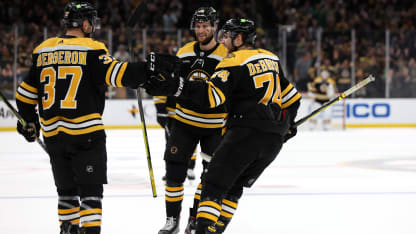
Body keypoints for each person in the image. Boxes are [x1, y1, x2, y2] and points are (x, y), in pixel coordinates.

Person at [14, 2, 177, 234]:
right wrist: (148, 69)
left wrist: (29, 122)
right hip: (86, 136)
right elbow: (119, 74)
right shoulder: (91, 48)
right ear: (84, 23)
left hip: (54, 138)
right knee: (90, 195)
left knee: (66, 193)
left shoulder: (43, 49)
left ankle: (68, 230)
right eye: (91, 21)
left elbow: (24, 94)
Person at [146, 18, 301, 234]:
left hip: (243, 135)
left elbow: (210, 97)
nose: (223, 40)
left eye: (227, 36)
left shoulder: (233, 62)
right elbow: (293, 99)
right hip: (272, 140)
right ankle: (215, 231)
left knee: (212, 186)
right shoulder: (271, 58)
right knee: (234, 188)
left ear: (239, 38)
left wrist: (175, 86)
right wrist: (289, 125)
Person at [156, 6, 228, 234]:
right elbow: (171, 83)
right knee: (174, 172)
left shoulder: (226, 55)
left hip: (214, 127)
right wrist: (160, 102)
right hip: (184, 123)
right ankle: (172, 220)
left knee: (210, 176)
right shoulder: (184, 51)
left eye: (206, 25)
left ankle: (196, 217)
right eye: (198, 25)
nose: (201, 30)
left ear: (215, 27)